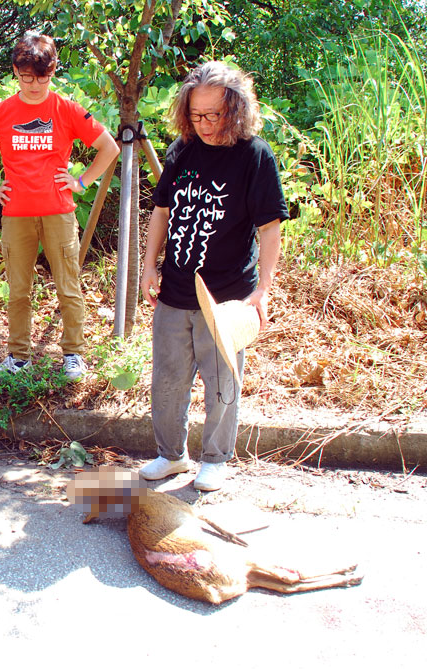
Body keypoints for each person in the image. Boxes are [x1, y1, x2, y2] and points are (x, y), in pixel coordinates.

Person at [138, 61, 288, 492]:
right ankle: (172, 456)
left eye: (213, 115)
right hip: (174, 290)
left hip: (226, 297)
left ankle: (216, 459)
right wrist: (150, 265)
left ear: (236, 109)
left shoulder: (255, 156)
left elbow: (270, 227)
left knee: (222, 381)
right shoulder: (182, 150)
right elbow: (162, 211)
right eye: (196, 114)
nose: (203, 123)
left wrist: (263, 290)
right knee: (167, 381)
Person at [0, 31, 119, 383]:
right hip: (16, 213)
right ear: (16, 72)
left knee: (69, 285)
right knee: (18, 289)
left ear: (53, 71)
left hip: (59, 211)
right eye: (26, 77)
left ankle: (74, 354)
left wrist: (81, 182)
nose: (34, 85)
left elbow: (109, 147)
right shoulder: (1, 112)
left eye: (42, 77)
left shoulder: (66, 109)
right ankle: (19, 357)